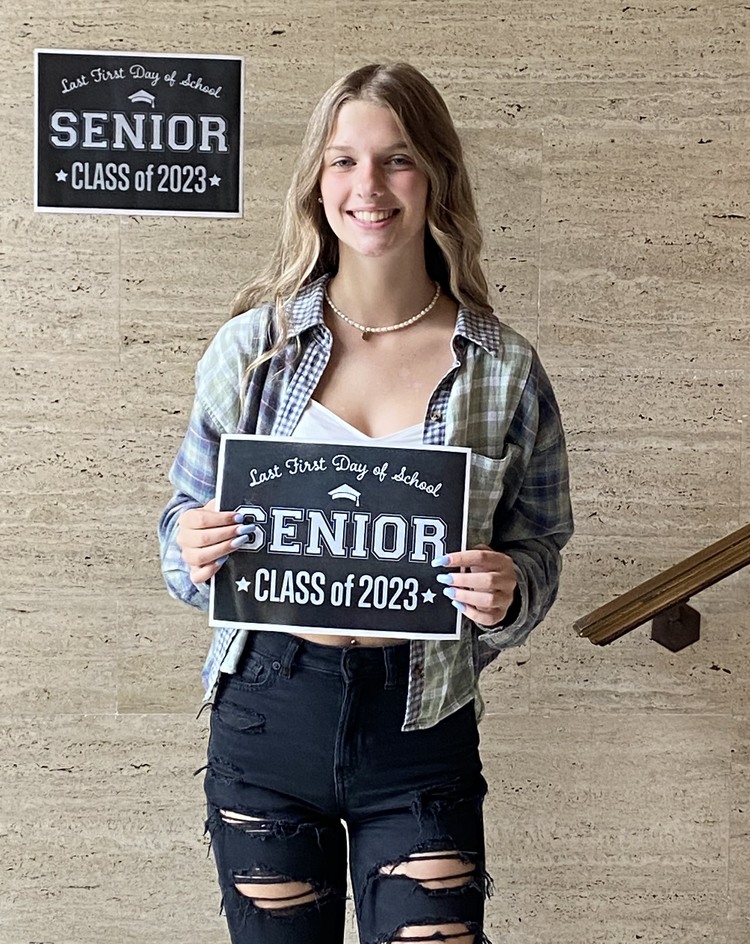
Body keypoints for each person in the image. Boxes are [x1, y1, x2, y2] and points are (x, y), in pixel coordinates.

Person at [158, 61, 573, 944]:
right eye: (344, 160)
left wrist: (511, 589)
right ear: (317, 179)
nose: (369, 187)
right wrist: (189, 546)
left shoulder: (503, 368)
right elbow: (182, 531)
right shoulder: (252, 350)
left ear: (437, 179)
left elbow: (539, 543)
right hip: (269, 711)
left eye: (397, 160)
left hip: (419, 726)